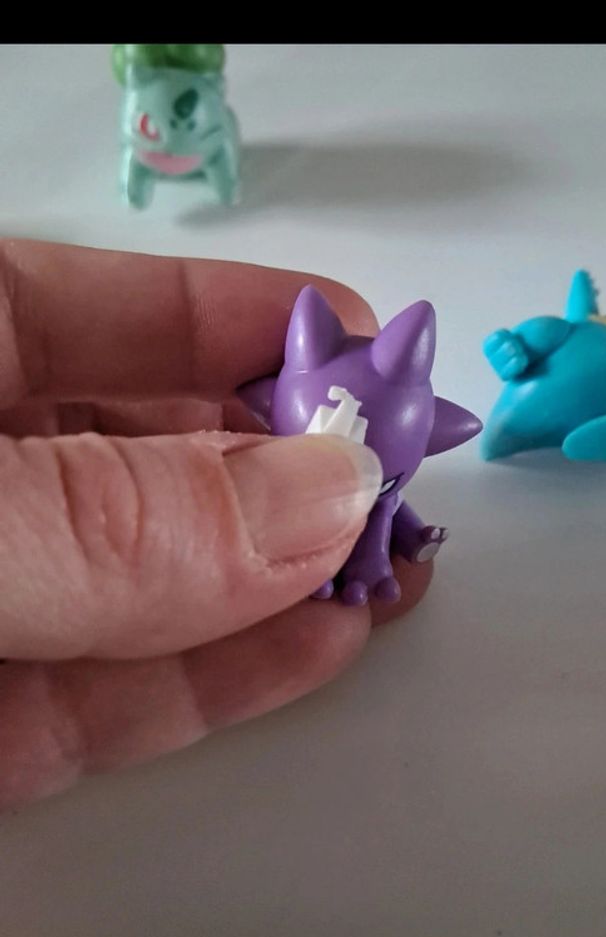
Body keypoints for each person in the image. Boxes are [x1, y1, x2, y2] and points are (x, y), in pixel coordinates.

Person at [0, 239, 432, 810]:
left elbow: (387, 504)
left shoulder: (385, 476)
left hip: (367, 521)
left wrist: (396, 535)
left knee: (382, 513)